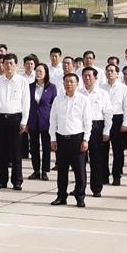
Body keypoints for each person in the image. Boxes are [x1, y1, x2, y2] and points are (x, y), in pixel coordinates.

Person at [49, 73, 92, 207]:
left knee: (80, 171)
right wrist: (53, 138)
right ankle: (61, 196)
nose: (69, 84)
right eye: (66, 81)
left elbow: (87, 122)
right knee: (62, 171)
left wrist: (85, 139)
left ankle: (80, 197)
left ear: (77, 84)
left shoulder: (83, 100)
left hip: (77, 139)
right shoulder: (58, 99)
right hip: (61, 139)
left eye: (72, 82)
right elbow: (53, 120)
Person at [0, 53, 30, 191]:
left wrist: (24, 121)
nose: (8, 66)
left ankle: (17, 180)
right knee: (1, 151)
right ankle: (2, 180)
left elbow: (26, 103)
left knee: (16, 152)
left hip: (16, 119)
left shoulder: (22, 81)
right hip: (1, 118)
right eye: (6, 63)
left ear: (16, 65)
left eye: (11, 64)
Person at [79, 67, 112, 197]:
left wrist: (106, 131)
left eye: (90, 76)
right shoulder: (79, 93)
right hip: (81, 128)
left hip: (97, 127)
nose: (87, 78)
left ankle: (96, 188)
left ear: (96, 78)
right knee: (80, 161)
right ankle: (80, 187)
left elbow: (108, 113)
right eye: (85, 76)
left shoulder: (102, 94)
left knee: (96, 160)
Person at [27, 63, 56, 181]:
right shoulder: (30, 87)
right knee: (34, 147)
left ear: (45, 74)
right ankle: (36, 170)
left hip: (46, 121)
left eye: (41, 71)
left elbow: (54, 105)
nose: (38, 73)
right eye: (37, 71)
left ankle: (44, 170)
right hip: (32, 121)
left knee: (46, 147)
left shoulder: (51, 87)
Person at [103, 64, 127, 186]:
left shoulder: (123, 88)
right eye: (108, 71)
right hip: (104, 120)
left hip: (118, 119)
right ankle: (104, 175)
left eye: (112, 71)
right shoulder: (102, 88)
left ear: (117, 74)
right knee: (103, 150)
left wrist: (125, 122)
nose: (110, 73)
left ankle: (116, 175)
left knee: (118, 151)